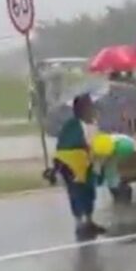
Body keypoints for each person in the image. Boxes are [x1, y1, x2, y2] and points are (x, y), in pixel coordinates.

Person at [54, 94, 107, 237]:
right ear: (82, 109)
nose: (92, 108)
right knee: (77, 193)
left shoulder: (92, 124)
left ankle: (89, 221)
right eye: (89, 106)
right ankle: (79, 223)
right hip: (72, 166)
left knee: (89, 192)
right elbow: (67, 145)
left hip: (87, 165)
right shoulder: (72, 126)